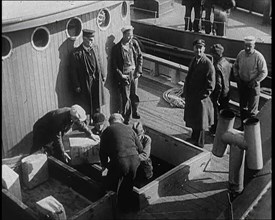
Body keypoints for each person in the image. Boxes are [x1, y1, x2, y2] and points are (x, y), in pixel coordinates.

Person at [99, 113, 143, 212]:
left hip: (120, 161)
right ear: (121, 120)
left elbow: (102, 152)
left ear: (110, 122)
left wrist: (105, 166)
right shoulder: (130, 129)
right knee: (128, 186)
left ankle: (116, 209)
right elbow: (140, 148)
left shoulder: (107, 131)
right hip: (135, 161)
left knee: (112, 184)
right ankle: (128, 209)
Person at [30, 105, 99, 163]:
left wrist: (91, 134)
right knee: (37, 148)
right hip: (41, 130)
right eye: (77, 120)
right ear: (73, 117)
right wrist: (63, 152)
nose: (78, 122)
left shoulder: (72, 115)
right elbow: (57, 137)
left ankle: (56, 156)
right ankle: (29, 162)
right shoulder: (59, 118)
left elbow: (81, 124)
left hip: (52, 128)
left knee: (55, 147)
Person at [181, 39, 215, 147]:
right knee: (194, 119)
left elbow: (211, 85)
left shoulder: (207, 64)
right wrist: (186, 92)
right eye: (197, 48)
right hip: (192, 96)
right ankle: (193, 138)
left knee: (201, 122)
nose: (199, 50)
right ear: (193, 49)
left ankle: (199, 143)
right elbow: (189, 77)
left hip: (201, 99)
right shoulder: (194, 60)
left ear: (204, 49)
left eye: (201, 48)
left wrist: (202, 96)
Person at [70, 29, 106, 124]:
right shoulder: (76, 53)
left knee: (97, 100)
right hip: (85, 82)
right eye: (90, 39)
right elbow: (73, 71)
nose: (92, 41)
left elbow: (99, 61)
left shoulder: (95, 48)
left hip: (96, 80)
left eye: (93, 39)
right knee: (87, 103)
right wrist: (77, 85)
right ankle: (87, 122)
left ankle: (97, 122)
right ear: (84, 39)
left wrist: (103, 75)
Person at [233, 36, 268, 131]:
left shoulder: (258, 57)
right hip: (242, 84)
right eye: (246, 46)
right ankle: (242, 126)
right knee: (242, 107)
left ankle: (251, 132)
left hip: (253, 86)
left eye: (250, 46)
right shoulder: (241, 54)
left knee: (252, 111)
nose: (247, 48)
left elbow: (264, 72)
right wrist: (237, 76)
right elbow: (235, 66)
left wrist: (255, 81)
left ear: (254, 45)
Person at [112, 25, 143, 125]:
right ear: (124, 35)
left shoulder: (134, 44)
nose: (130, 37)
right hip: (125, 74)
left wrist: (138, 71)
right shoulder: (117, 48)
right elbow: (114, 65)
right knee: (126, 97)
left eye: (131, 35)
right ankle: (126, 117)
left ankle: (135, 111)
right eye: (128, 35)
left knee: (135, 94)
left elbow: (140, 57)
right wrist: (121, 75)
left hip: (134, 73)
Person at [209, 44, 232, 134]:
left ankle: (215, 129)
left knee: (216, 112)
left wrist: (216, 98)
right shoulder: (227, 62)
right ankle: (225, 129)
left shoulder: (217, 66)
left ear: (216, 55)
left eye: (212, 54)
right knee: (225, 110)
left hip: (220, 93)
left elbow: (218, 85)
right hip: (227, 90)